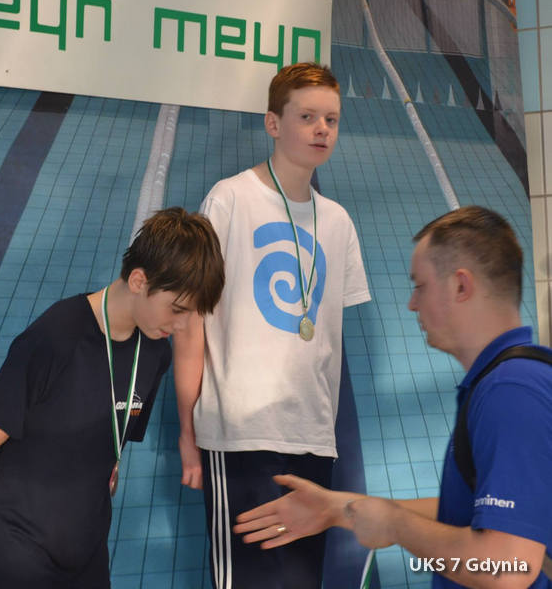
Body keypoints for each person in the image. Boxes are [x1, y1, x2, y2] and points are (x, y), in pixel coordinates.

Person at [233, 206, 552, 589]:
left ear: (460, 286)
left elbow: (507, 568)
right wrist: (341, 509)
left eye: (421, 286)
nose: (412, 304)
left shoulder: (511, 392)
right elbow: (469, 513)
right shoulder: (508, 381)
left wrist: (396, 526)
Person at [0, 206, 225, 589]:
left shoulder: (154, 352)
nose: (183, 325)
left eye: (192, 314)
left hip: (86, 549)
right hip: (18, 546)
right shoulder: (56, 337)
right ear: (139, 280)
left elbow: (112, 440)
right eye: (177, 310)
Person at [172, 61, 371, 588]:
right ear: (273, 123)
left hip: (313, 438)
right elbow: (189, 326)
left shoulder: (338, 222)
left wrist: (325, 432)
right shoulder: (230, 199)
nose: (321, 129)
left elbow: (329, 339)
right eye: (307, 116)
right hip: (241, 434)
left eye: (331, 119)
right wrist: (188, 432)